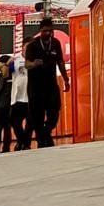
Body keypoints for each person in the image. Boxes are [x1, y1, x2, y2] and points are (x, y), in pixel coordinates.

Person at [24, 17, 70, 148]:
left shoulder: (55, 43)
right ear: (40, 30)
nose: (48, 33)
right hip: (36, 87)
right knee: (37, 116)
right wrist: (34, 63)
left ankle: (46, 132)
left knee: (54, 113)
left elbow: (60, 62)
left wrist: (66, 79)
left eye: (50, 31)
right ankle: (42, 140)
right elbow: (27, 64)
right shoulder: (32, 45)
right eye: (45, 31)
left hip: (51, 85)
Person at [9, 52, 31, 150]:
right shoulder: (16, 60)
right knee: (15, 122)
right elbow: (6, 73)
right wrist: (8, 64)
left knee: (31, 123)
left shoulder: (34, 59)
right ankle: (22, 141)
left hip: (30, 97)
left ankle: (26, 144)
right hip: (18, 98)